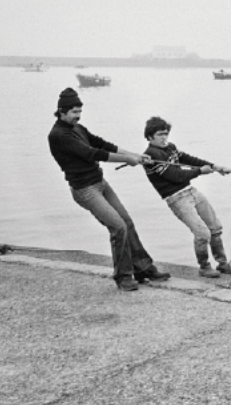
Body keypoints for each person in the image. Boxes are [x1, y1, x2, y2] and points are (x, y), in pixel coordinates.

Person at [47, 87, 170, 291]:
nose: (78, 116)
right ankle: (123, 276)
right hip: (85, 190)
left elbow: (102, 144)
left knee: (127, 222)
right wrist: (127, 159)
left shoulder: (78, 128)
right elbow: (92, 153)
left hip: (100, 183)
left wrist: (135, 155)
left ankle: (143, 268)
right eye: (74, 112)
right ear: (62, 111)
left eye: (80, 112)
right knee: (117, 226)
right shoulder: (58, 135)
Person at [142, 117, 231, 278]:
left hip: (191, 191)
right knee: (202, 232)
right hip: (176, 198)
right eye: (160, 135)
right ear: (150, 137)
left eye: (166, 134)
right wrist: (200, 172)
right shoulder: (151, 156)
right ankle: (204, 267)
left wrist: (214, 167)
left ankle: (222, 264)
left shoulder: (170, 148)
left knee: (214, 227)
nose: (165, 138)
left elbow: (189, 160)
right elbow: (175, 175)